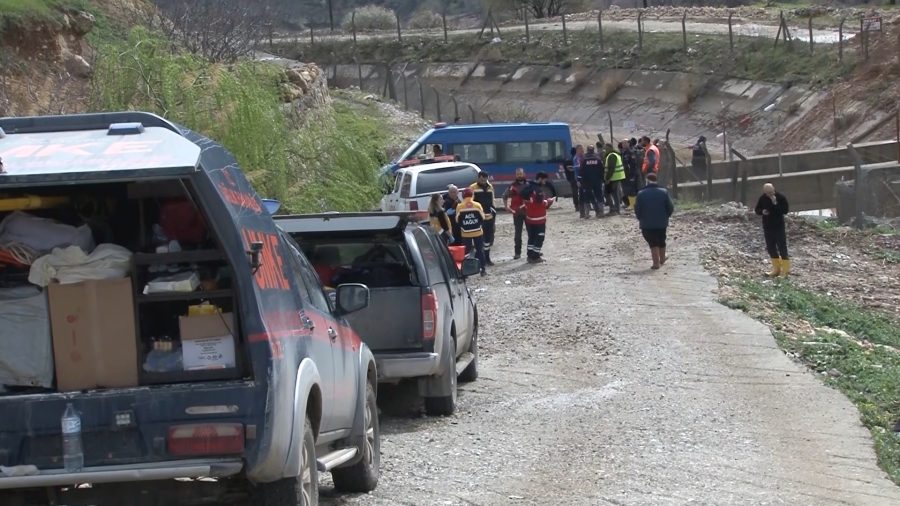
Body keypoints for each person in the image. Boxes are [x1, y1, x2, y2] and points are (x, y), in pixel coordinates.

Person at [634, 173, 674, 270]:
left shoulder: (641, 194)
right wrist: (666, 217)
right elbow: (670, 207)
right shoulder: (664, 192)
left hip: (647, 224)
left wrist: (640, 218)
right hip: (661, 222)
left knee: (653, 242)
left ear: (647, 181)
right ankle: (662, 258)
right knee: (661, 240)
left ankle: (656, 263)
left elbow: (637, 209)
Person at [754, 182, 790, 278]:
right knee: (771, 248)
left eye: (771, 192)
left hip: (779, 226)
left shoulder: (780, 197)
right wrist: (762, 211)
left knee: (782, 248)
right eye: (768, 193)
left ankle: (785, 272)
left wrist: (775, 203)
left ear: (774, 189)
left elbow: (785, 210)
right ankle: (776, 269)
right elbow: (757, 209)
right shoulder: (762, 198)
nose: (770, 194)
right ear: (765, 192)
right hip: (768, 226)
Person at [519, 171, 554, 263]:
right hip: (539, 219)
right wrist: (549, 201)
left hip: (530, 218)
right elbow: (541, 204)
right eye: (544, 180)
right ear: (540, 179)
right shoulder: (538, 191)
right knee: (540, 237)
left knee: (532, 237)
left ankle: (530, 254)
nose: (545, 182)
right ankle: (535, 255)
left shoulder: (528, 187)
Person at [455, 188, 487, 276]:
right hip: (478, 232)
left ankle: (466, 271)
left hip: (465, 233)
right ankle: (483, 269)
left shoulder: (459, 206)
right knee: (480, 250)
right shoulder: (477, 205)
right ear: (472, 195)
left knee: (466, 252)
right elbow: (483, 217)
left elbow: (457, 220)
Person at [469, 171, 496, 266]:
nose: (484, 182)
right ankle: (479, 259)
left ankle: (487, 257)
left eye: (485, 180)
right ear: (478, 178)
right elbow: (470, 202)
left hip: (489, 217)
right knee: (478, 239)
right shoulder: (472, 188)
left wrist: (493, 210)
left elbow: (492, 200)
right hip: (478, 218)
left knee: (488, 238)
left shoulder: (490, 187)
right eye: (482, 180)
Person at [502, 168, 529, 260]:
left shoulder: (529, 185)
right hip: (517, 214)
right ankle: (517, 253)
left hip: (528, 213)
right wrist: (506, 207)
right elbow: (504, 196)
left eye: (521, 174)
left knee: (531, 233)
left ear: (524, 174)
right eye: (518, 174)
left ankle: (532, 252)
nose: (519, 175)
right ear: (515, 175)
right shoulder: (512, 187)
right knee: (518, 234)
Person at [579, 145, 605, 218]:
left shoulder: (584, 158)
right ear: (594, 150)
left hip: (587, 181)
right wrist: (602, 179)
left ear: (587, 150)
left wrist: (581, 180)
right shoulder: (597, 158)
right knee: (599, 196)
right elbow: (602, 169)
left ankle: (587, 214)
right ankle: (601, 212)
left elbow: (581, 171)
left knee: (587, 196)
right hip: (597, 180)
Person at [604, 142, 626, 215]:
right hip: (617, 177)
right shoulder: (616, 154)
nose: (605, 150)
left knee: (608, 193)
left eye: (606, 148)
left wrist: (607, 178)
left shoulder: (611, 156)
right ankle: (616, 210)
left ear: (609, 148)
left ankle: (614, 209)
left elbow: (611, 168)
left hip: (613, 178)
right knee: (615, 194)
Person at [621, 140, 639, 209]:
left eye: (625, 143)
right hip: (625, 173)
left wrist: (632, 173)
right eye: (623, 143)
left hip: (630, 174)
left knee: (631, 189)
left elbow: (634, 164)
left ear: (628, 143)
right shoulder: (624, 152)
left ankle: (632, 204)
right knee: (627, 189)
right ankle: (628, 203)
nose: (624, 144)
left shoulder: (631, 152)